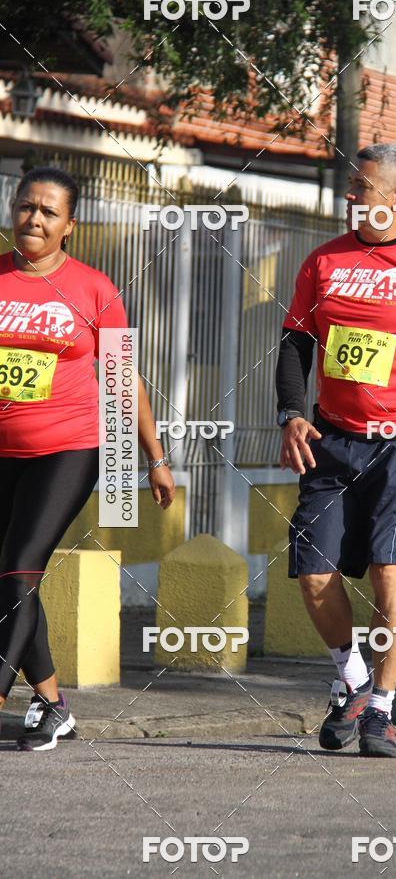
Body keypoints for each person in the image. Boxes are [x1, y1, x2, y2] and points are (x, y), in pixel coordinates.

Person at [275, 143, 396, 758]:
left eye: (362, 187)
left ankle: (380, 711)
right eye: (351, 187)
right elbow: (294, 346)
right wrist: (290, 415)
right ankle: (354, 680)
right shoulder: (324, 259)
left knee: (390, 572)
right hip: (331, 440)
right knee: (312, 574)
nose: (351, 196)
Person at [0, 166, 175, 751]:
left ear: (69, 226)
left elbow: (124, 379)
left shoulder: (94, 288)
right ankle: (53, 705)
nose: (34, 218)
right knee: (10, 582)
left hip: (67, 448)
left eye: (49, 211)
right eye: (27, 206)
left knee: (21, 565)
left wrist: (155, 457)